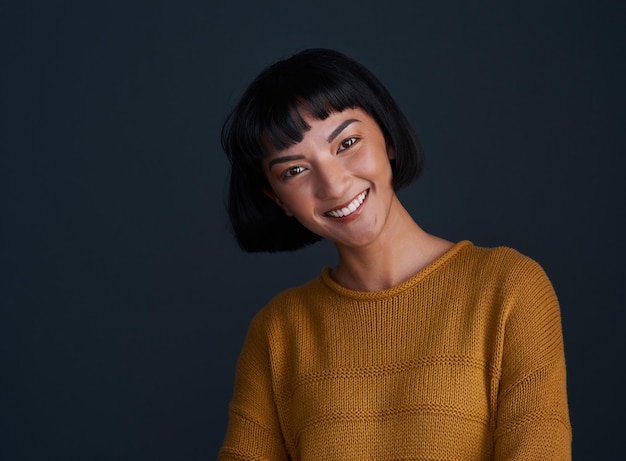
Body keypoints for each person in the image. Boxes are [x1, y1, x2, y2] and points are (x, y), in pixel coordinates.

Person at [218, 48, 571, 460]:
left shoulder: (509, 289)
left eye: (347, 142)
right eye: (294, 170)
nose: (333, 185)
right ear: (276, 199)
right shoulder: (277, 333)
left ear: (387, 139)